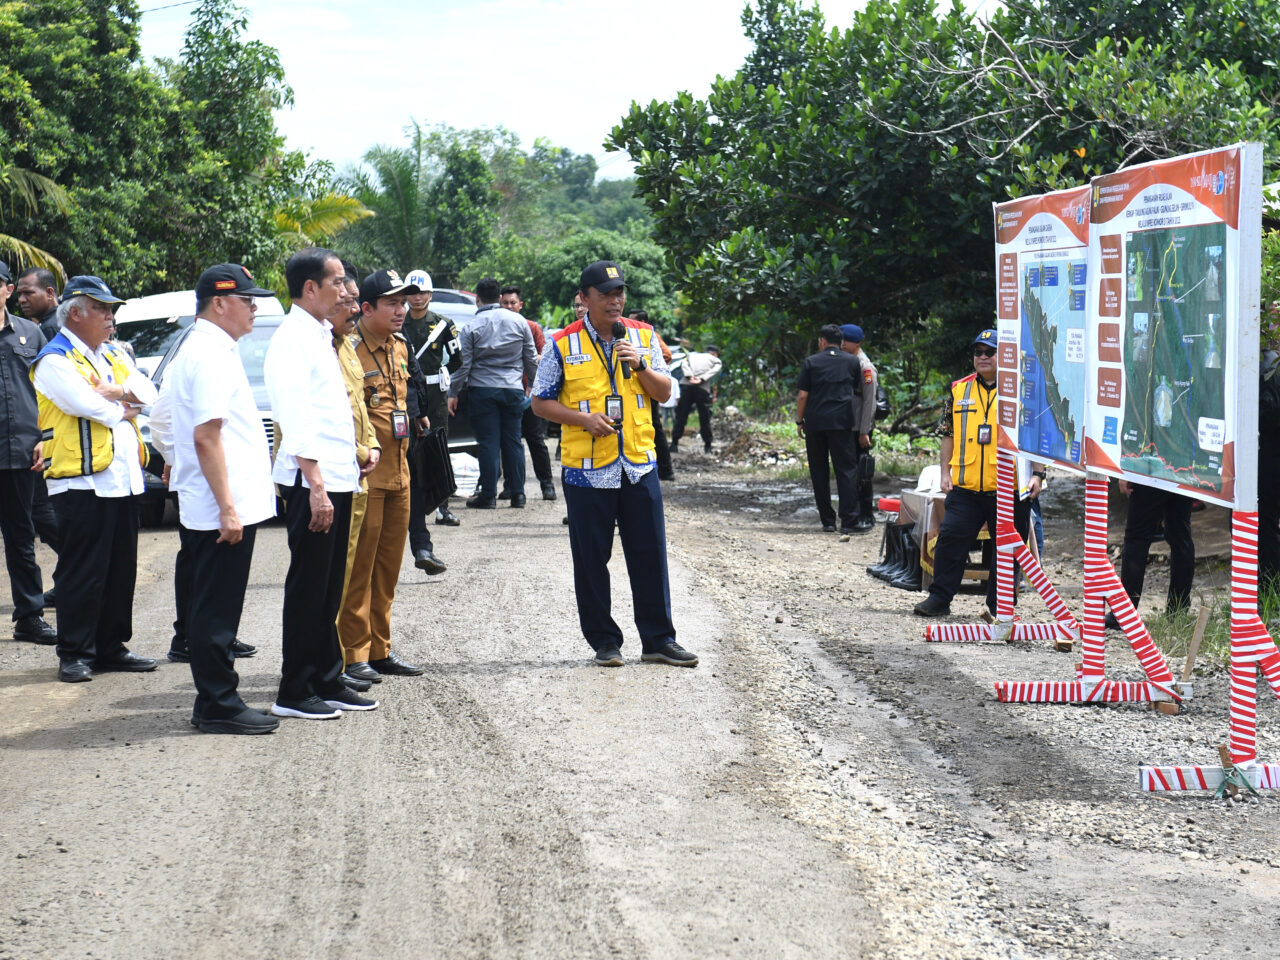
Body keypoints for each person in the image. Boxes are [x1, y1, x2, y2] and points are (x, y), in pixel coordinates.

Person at [531, 260, 696, 668]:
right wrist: (584, 418)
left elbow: (663, 393)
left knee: (650, 554)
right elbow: (540, 402)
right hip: (587, 470)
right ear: (584, 299)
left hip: (638, 463)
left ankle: (658, 639)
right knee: (591, 559)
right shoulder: (562, 343)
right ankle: (605, 641)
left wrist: (639, 364)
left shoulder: (642, 336)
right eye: (605, 294)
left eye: (620, 292)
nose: (616, 300)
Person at [149, 264, 279, 734]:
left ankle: (218, 699)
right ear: (220, 303)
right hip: (222, 505)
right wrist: (227, 506)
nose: (255, 308)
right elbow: (206, 437)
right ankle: (217, 703)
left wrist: (172, 459)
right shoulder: (207, 352)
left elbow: (163, 414)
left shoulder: (207, 346)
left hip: (221, 500)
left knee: (215, 605)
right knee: (215, 611)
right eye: (247, 300)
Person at [264, 247, 376, 719]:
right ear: (310, 288)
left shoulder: (321, 335)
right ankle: (295, 688)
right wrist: (315, 484)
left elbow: (335, 413)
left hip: (337, 475)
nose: (344, 291)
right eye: (336, 283)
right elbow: (296, 419)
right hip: (314, 481)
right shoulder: (292, 338)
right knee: (309, 585)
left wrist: (350, 465)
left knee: (331, 586)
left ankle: (327, 678)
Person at [31, 275, 159, 681]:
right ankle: (74, 652)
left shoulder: (113, 354)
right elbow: (92, 407)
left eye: (111, 309)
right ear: (74, 313)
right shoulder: (54, 359)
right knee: (81, 571)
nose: (110, 317)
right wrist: (126, 403)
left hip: (121, 478)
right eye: (102, 309)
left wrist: (119, 393)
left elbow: (150, 394)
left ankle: (110, 646)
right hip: (81, 482)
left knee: (121, 568)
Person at [913, 329, 1040, 617]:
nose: (982, 357)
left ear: (1002, 356)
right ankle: (939, 599)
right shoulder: (959, 389)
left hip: (1008, 486)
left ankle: (1001, 606)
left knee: (1007, 549)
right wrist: (944, 472)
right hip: (966, 485)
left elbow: (1034, 436)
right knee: (950, 542)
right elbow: (947, 434)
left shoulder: (1022, 389)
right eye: (977, 352)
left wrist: (1039, 475)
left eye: (989, 352)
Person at [338, 270, 426, 683]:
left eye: (403, 302)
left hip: (400, 472)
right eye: (392, 303)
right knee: (359, 569)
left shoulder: (401, 348)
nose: (401, 310)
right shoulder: (349, 350)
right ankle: (352, 654)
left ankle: (379, 649)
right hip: (366, 476)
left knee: (388, 568)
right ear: (367, 308)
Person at [0, 262, 56, 644]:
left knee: (21, 539)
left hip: (20, 453)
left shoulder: (30, 334)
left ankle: (29, 617)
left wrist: (44, 438)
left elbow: (50, 392)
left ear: (5, 289)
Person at [329, 265, 378, 693]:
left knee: (347, 574)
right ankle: (332, 664)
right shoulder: (316, 347)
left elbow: (360, 405)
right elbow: (323, 421)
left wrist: (374, 443)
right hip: (330, 475)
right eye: (346, 301)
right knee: (330, 580)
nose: (352, 309)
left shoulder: (347, 346)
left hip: (357, 472)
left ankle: (336, 665)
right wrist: (362, 451)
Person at [448, 277, 538, 508]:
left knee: (488, 443)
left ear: (477, 299)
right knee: (514, 441)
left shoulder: (471, 327)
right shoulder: (519, 322)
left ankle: (488, 495)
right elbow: (530, 357)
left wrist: (453, 392)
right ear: (499, 298)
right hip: (513, 390)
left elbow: (463, 365)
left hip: (483, 390)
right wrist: (533, 385)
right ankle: (518, 494)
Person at [402, 268, 460, 556]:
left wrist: (443, 374)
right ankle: (411, 505)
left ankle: (442, 506)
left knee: (437, 446)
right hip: (407, 392)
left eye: (422, 292)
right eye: (411, 293)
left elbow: (457, 358)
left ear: (430, 294)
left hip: (435, 394)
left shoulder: (443, 324)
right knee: (407, 448)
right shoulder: (397, 322)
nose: (417, 298)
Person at [796, 324, 863, 534]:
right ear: (841, 342)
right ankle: (849, 521)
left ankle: (827, 521)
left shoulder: (811, 362)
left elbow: (803, 395)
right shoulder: (852, 361)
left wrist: (800, 421)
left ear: (822, 342)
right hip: (842, 422)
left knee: (819, 470)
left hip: (815, 423)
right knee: (846, 470)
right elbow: (856, 389)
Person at [1106, 481, 1194, 628]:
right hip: (1184, 470)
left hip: (1150, 469)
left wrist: (1124, 474)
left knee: (1137, 538)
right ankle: (1178, 611)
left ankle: (1125, 614)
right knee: (1181, 538)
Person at [497, 284, 556, 501]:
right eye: (505, 303)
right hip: (505, 392)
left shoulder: (532, 327)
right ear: (499, 304)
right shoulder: (495, 326)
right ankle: (511, 485)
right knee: (508, 442)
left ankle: (547, 485)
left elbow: (544, 356)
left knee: (535, 439)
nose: (510, 306)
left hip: (529, 394)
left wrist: (531, 368)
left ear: (520, 305)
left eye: (513, 303)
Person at [840, 323, 878, 531]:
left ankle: (866, 513)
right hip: (848, 425)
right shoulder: (848, 362)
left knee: (862, 472)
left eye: (846, 340)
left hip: (859, 428)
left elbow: (870, 401)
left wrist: (865, 430)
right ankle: (851, 512)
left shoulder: (865, 367)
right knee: (850, 471)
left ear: (857, 343)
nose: (842, 344)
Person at [631, 310, 675, 481]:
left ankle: (666, 470)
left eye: (632, 320)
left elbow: (667, 355)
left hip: (650, 388)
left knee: (655, 427)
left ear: (642, 321)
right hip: (638, 389)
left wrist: (647, 367)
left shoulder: (649, 334)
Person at [670, 344, 721, 453]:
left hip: (687, 386)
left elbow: (684, 364)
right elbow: (715, 370)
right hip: (702, 389)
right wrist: (701, 379)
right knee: (705, 418)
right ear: (715, 354)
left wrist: (689, 376)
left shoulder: (692, 356)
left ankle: (674, 443)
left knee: (681, 416)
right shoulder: (715, 360)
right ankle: (708, 447)